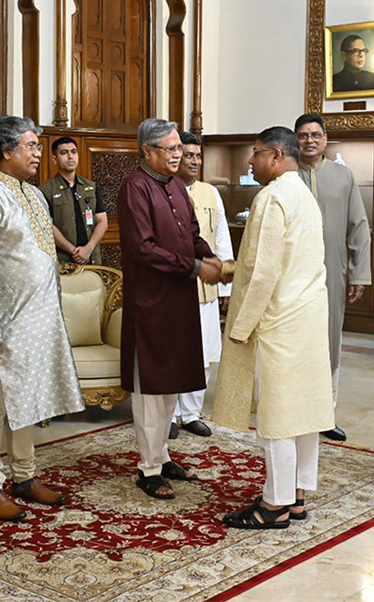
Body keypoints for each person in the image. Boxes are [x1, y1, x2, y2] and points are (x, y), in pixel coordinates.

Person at [0, 115, 85, 520]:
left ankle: (24, 476)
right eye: (31, 146)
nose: (38, 153)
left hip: (40, 322)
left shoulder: (34, 195)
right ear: (6, 151)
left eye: (37, 146)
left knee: (28, 401)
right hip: (6, 324)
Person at [212, 127, 332, 529]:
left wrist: (241, 324)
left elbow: (263, 272)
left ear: (276, 155)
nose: (251, 161)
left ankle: (274, 505)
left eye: (256, 152)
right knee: (303, 413)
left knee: (278, 416)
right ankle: (296, 496)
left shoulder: (272, 196)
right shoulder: (304, 194)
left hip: (279, 321)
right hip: (308, 318)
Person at [118, 117, 223, 500]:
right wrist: (194, 267)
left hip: (179, 301)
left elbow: (192, 234)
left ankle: (161, 457)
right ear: (147, 151)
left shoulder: (176, 186)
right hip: (150, 304)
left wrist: (210, 258)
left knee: (169, 387)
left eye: (180, 147)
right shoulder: (135, 188)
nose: (179, 155)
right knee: (150, 391)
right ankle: (148, 470)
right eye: (171, 148)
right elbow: (143, 249)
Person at [294, 114, 371, 441]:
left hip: (332, 269)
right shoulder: (287, 175)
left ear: (325, 139)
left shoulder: (343, 176)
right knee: (294, 339)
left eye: (315, 135)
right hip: (292, 273)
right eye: (303, 135)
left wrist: (359, 274)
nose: (309, 141)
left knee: (329, 339)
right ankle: (294, 410)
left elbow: (359, 227)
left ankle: (325, 413)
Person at [169, 130, 233, 439]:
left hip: (206, 287)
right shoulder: (163, 190)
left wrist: (225, 286)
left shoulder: (210, 192)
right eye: (188, 155)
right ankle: (169, 415)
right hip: (175, 284)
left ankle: (191, 414)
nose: (195, 161)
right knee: (174, 353)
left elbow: (221, 238)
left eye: (198, 156)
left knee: (203, 352)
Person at [39, 136, 109, 264]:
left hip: (92, 259)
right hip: (64, 263)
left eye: (73, 152)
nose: (70, 156)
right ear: (54, 159)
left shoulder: (90, 186)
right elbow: (48, 227)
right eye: (64, 153)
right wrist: (74, 252)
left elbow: (102, 221)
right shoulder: (46, 190)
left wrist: (88, 249)